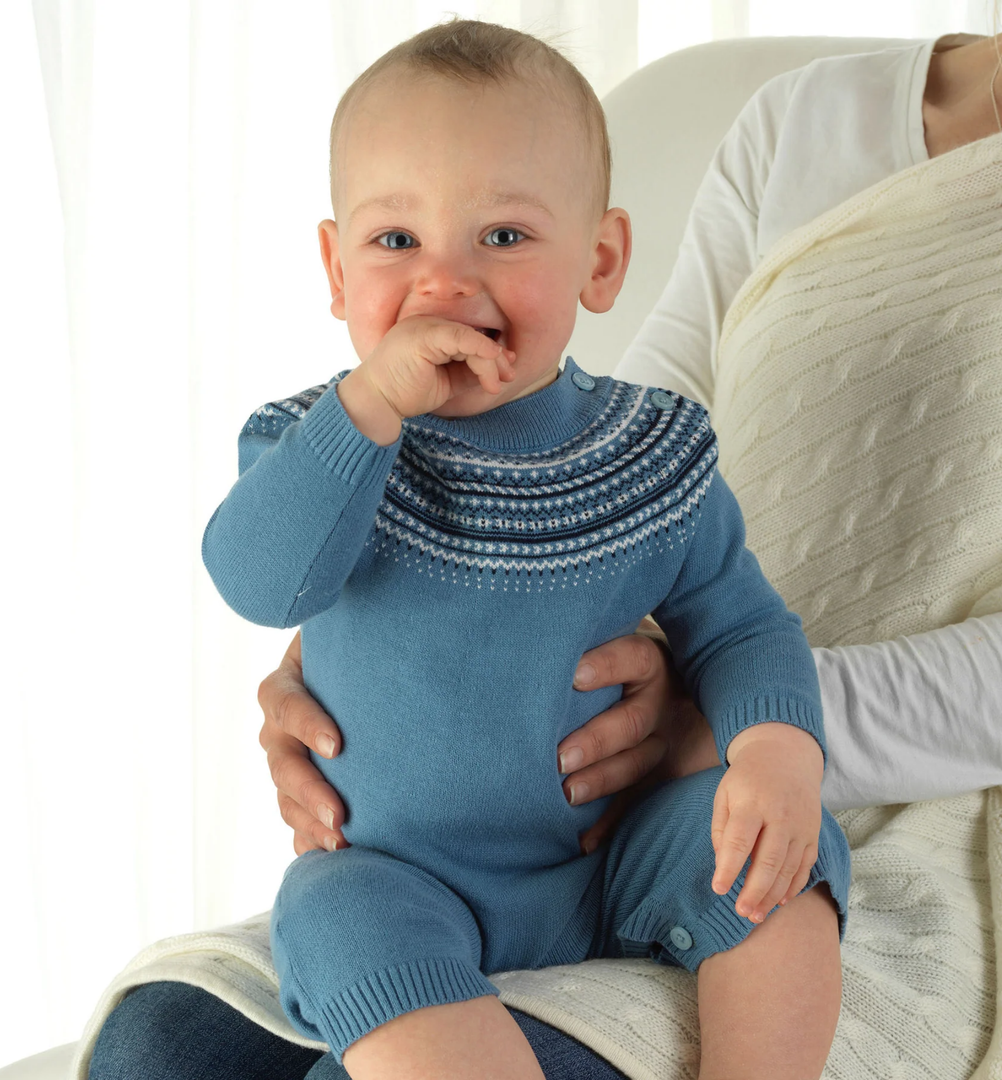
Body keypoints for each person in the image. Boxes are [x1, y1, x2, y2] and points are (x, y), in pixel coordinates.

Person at [87, 24, 1002, 1080]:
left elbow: (743, 622)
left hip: (621, 846)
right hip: (401, 872)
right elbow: (255, 579)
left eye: (505, 237)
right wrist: (366, 419)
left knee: (778, 860)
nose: (445, 283)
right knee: (213, 1001)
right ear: (334, 271)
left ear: (600, 261)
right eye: (395, 243)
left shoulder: (651, 453)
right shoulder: (316, 441)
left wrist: (776, 750)